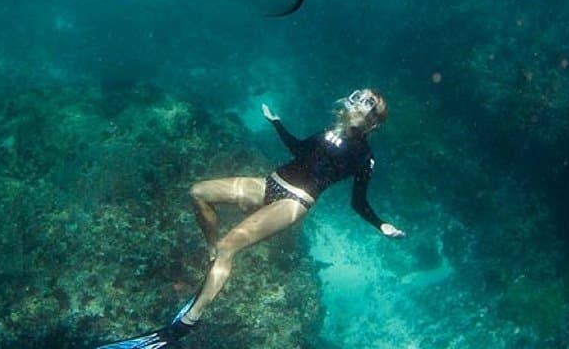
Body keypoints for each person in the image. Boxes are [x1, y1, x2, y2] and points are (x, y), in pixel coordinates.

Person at [98, 88, 404, 349]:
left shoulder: (365, 155)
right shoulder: (329, 131)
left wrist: (380, 225)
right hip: (269, 183)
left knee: (231, 245)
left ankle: (183, 326)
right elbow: (299, 150)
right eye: (359, 95)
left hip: (294, 201)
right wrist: (276, 123)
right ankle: (211, 251)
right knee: (198, 193)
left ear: (373, 121)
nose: (358, 99)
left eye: (367, 101)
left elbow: (358, 201)